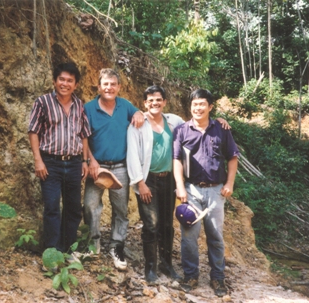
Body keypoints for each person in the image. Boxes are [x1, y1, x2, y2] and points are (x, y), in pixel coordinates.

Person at [173, 89, 239, 297]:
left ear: (210, 107)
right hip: (191, 190)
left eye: (202, 104)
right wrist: (180, 186)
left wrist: (229, 183)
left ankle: (217, 278)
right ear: (190, 106)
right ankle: (191, 275)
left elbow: (232, 157)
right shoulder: (182, 130)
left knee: (215, 236)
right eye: (194, 104)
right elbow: (176, 160)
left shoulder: (221, 129)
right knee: (189, 237)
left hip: (215, 192)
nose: (198, 108)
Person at [28, 62, 91, 257]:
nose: (65, 83)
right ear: (55, 81)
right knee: (52, 207)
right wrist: (38, 160)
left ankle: (68, 249)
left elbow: (84, 134)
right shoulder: (43, 102)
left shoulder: (79, 105)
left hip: (73, 163)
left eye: (69, 80)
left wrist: (84, 161)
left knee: (73, 208)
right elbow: (33, 131)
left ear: (76, 84)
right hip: (51, 163)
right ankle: (52, 252)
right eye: (61, 79)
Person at [83, 68, 144, 271]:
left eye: (113, 84)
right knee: (90, 206)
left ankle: (117, 246)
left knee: (121, 210)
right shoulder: (89, 108)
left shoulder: (124, 105)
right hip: (97, 166)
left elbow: (138, 112)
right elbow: (83, 138)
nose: (109, 88)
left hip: (120, 166)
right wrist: (90, 161)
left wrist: (138, 113)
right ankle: (93, 244)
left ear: (118, 87)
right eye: (105, 84)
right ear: (99, 87)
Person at [126, 85, 184, 283]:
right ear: (145, 103)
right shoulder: (138, 124)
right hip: (147, 179)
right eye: (150, 100)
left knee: (167, 224)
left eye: (158, 100)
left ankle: (166, 264)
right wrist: (140, 183)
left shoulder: (174, 121)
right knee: (151, 224)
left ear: (164, 102)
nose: (155, 103)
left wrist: (218, 121)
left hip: (169, 180)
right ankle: (150, 268)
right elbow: (132, 154)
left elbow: (196, 126)